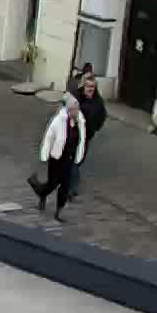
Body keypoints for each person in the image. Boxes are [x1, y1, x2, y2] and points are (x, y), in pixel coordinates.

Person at [28, 96, 87, 221]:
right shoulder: (59, 120)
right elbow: (49, 137)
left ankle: (59, 211)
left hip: (69, 159)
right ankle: (40, 190)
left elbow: (82, 140)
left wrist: (79, 156)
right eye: (74, 110)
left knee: (65, 185)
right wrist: (44, 155)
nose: (76, 112)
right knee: (52, 184)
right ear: (68, 110)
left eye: (77, 110)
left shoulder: (80, 121)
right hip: (56, 158)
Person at [67, 67, 107, 199]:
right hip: (73, 134)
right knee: (71, 159)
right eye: (88, 87)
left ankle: (70, 184)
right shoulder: (77, 97)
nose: (90, 89)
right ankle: (71, 188)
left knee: (78, 160)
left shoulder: (98, 102)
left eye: (92, 87)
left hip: (86, 136)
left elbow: (102, 116)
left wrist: (95, 129)